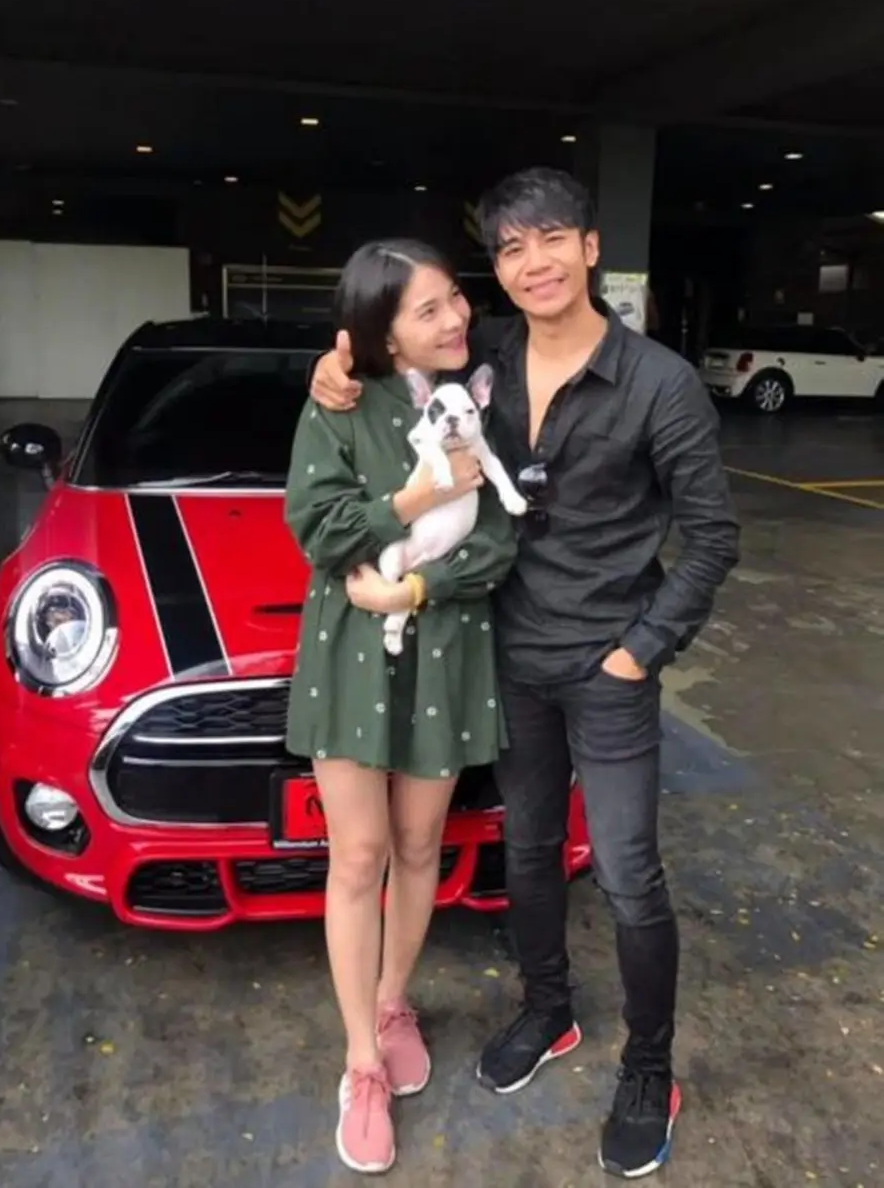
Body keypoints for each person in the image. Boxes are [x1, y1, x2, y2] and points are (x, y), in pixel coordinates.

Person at [309, 169, 740, 1180]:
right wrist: (330, 368)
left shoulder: (659, 383)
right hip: (510, 654)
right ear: (497, 270)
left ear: (591, 247)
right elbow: (387, 353)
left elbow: (713, 537)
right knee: (532, 851)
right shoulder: (486, 356)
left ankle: (649, 1068)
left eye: (551, 239)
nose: (533, 262)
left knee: (627, 873)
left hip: (611, 663)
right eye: (510, 247)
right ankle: (548, 1009)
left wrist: (641, 648)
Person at [285, 239, 518, 1175]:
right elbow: (317, 523)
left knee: (421, 845)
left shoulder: (478, 399)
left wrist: (419, 588)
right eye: (429, 309)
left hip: (445, 646)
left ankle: (392, 1001)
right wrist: (412, 498)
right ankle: (360, 1062)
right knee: (360, 854)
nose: (456, 316)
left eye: (455, 297)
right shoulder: (338, 402)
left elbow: (496, 541)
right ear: (382, 333)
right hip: (351, 652)